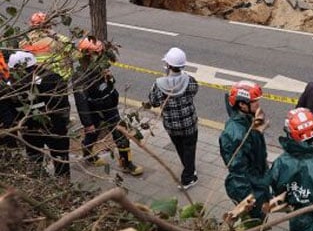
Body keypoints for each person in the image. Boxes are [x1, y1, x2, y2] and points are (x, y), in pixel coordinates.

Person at [219, 80, 279, 231]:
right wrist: (247, 199)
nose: (258, 104)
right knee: (253, 221)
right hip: (249, 186)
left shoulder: (247, 121)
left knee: (260, 218)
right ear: (243, 105)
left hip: (257, 179)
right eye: (255, 102)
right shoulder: (235, 134)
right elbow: (237, 172)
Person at [73, 37, 143, 176]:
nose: (100, 57)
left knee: (120, 135)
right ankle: (88, 155)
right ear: (87, 55)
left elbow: (108, 86)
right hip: (96, 110)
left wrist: (110, 79)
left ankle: (126, 164)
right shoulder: (80, 77)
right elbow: (81, 102)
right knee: (92, 134)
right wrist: (87, 123)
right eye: (96, 54)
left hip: (110, 107)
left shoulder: (101, 68)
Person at [9, 51, 71, 178]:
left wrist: (64, 122)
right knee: (35, 160)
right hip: (31, 130)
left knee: (60, 159)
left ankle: (64, 185)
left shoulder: (51, 80)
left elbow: (62, 104)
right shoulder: (10, 87)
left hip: (54, 127)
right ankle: (41, 183)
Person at [146, 47, 199, 189]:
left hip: (171, 124)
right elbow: (194, 90)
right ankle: (188, 177)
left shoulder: (159, 84)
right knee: (190, 147)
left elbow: (153, 101)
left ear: (168, 65)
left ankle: (188, 168)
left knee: (180, 147)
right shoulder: (190, 80)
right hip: (189, 123)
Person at [19, 12, 72, 79]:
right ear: (49, 25)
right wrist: (55, 35)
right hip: (57, 78)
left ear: (31, 25)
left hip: (35, 77)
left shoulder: (24, 41)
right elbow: (73, 52)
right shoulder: (57, 40)